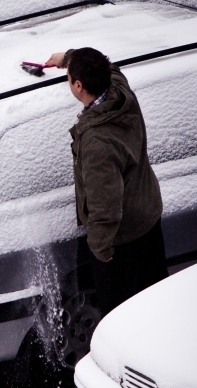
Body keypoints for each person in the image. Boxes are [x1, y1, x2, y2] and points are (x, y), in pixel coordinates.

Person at [46, 48, 168, 316]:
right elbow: (108, 66)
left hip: (123, 239)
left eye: (69, 77)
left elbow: (104, 204)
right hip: (148, 213)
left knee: (120, 314)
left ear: (78, 86)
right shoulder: (122, 94)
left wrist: (100, 249)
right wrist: (68, 59)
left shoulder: (97, 142)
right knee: (156, 299)